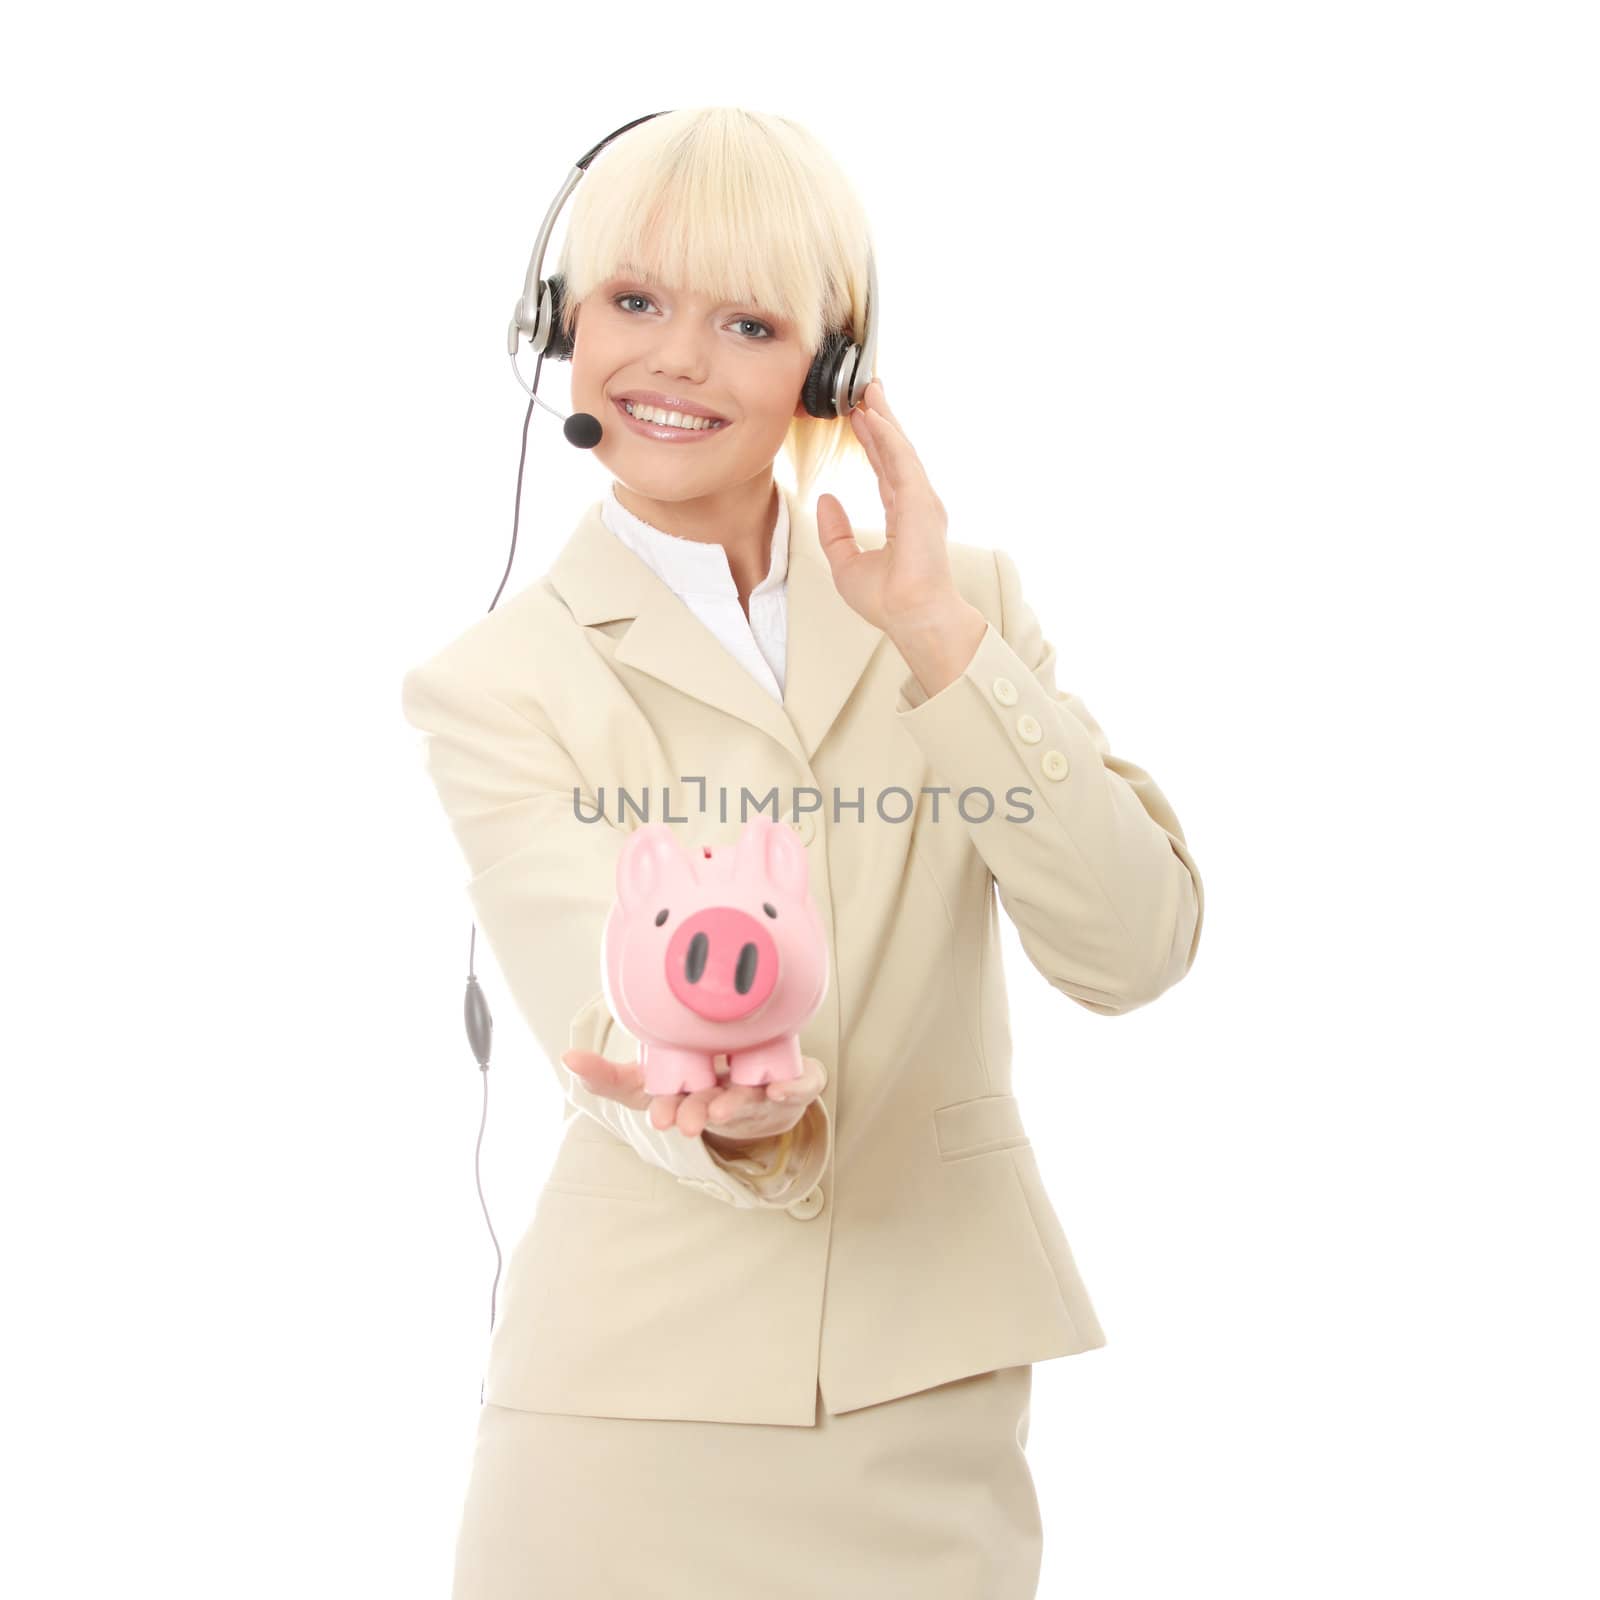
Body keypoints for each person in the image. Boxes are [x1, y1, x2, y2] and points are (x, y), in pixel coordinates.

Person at [400, 105, 1204, 1600]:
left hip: (924, 1397)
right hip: (624, 1420)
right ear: (556, 325)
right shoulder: (495, 683)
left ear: (832, 369)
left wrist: (940, 648)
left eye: (750, 321)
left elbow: (1134, 945)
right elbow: (602, 995)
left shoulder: (961, 607)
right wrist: (717, 1101)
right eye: (633, 301)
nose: (678, 362)